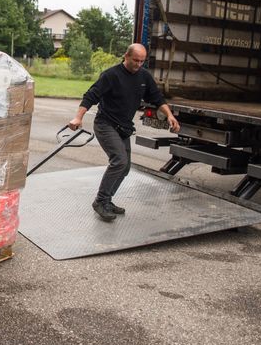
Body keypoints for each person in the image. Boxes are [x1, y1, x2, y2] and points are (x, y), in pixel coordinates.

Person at [68, 43, 180, 221]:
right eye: (135, 60)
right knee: (119, 161)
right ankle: (100, 201)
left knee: (125, 167)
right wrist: (78, 117)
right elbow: (91, 95)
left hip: (124, 128)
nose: (138, 64)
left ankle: (107, 201)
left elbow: (157, 98)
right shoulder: (111, 75)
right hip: (105, 124)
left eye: (142, 61)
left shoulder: (144, 76)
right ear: (126, 56)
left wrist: (169, 116)